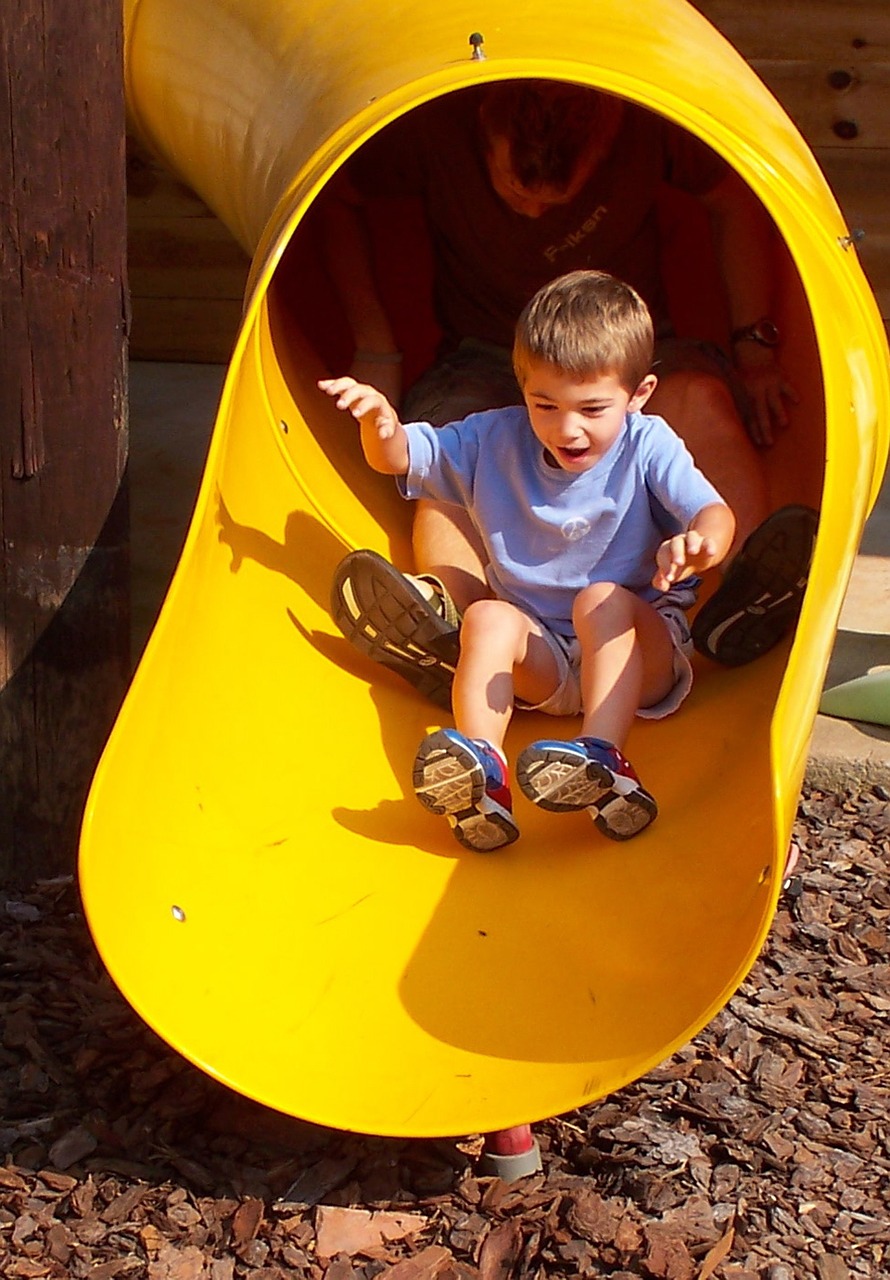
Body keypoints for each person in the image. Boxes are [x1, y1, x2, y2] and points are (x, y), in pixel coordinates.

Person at [321, 80, 816, 699]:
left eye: (560, 195)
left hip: (625, 350)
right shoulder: (438, 121)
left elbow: (732, 198)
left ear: (605, 140)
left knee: (701, 397)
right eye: (512, 189)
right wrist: (375, 347)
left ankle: (731, 599)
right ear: (485, 124)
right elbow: (334, 196)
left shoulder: (640, 116)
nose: (533, 213)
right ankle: (460, 625)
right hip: (485, 353)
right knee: (461, 443)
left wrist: (755, 349)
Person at [319, 270, 736, 851]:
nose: (568, 428)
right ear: (523, 388)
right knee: (489, 617)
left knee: (601, 599)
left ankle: (604, 759)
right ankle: (484, 771)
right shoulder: (494, 438)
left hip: (636, 653)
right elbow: (398, 458)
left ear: (638, 394)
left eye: (592, 409)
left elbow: (713, 514)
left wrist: (700, 544)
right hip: (546, 657)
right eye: (545, 404)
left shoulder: (649, 442)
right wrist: (378, 424)